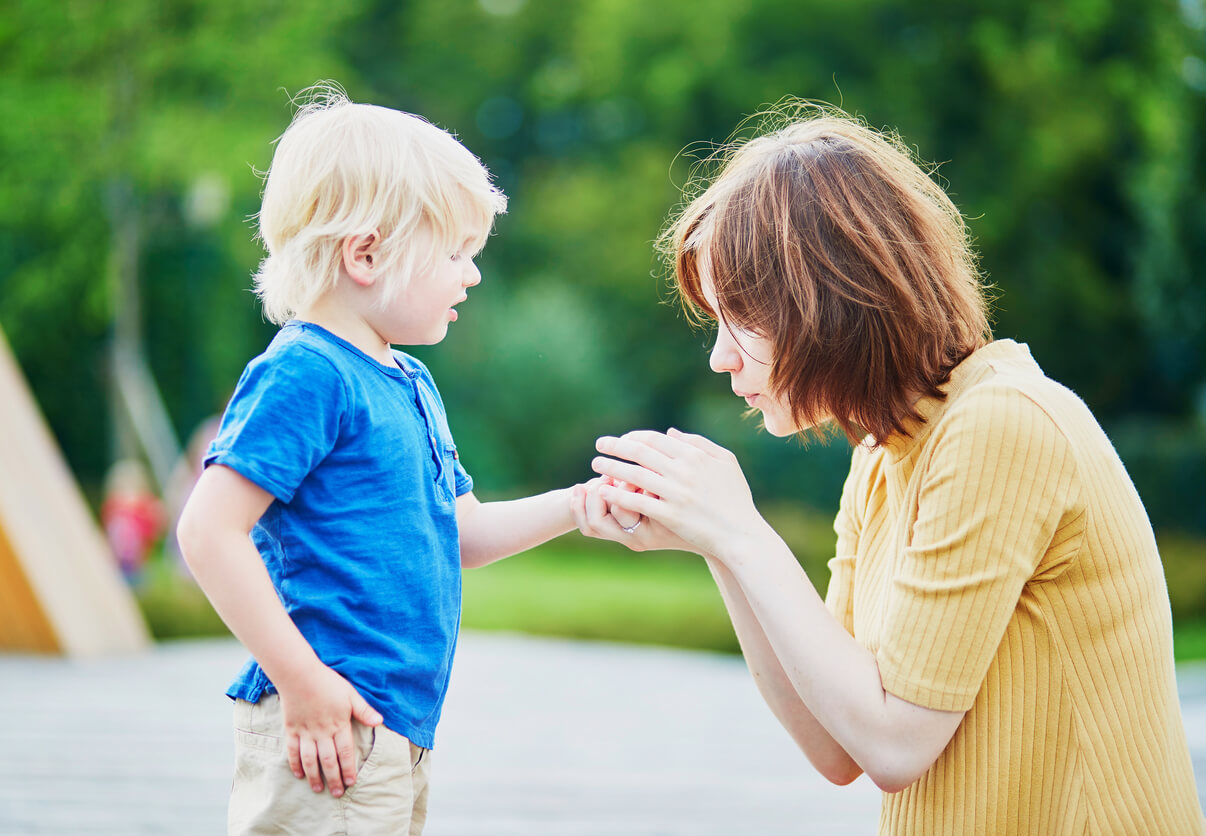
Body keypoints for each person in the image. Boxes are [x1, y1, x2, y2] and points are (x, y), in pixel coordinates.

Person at [571, 106, 1206, 834]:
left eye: (739, 319)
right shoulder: (884, 453)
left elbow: (893, 744)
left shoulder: (1001, 424)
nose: (720, 357)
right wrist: (718, 542)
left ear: (827, 297)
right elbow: (837, 741)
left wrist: (744, 533)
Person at [177, 83, 582, 836]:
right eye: (457, 253)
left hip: (394, 730)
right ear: (365, 253)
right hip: (328, 727)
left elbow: (462, 536)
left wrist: (580, 505)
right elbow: (208, 532)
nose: (473, 274)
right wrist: (303, 684)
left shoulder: (409, 381)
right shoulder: (307, 371)